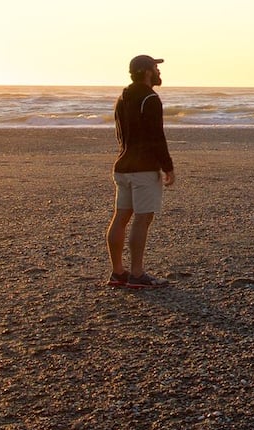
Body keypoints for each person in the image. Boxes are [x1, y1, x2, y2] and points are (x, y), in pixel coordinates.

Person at [106, 54, 176, 289]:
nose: (159, 72)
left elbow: (120, 134)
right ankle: (137, 274)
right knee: (143, 218)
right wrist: (167, 166)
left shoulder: (122, 97)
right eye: (156, 68)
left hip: (122, 165)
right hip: (143, 168)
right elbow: (157, 136)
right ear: (146, 71)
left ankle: (118, 272)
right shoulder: (150, 99)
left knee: (121, 217)